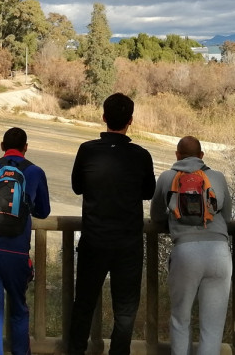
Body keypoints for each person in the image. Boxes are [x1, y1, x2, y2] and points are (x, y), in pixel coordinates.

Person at [68, 93, 156, 355]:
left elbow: (76, 187)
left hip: (94, 239)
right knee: (125, 309)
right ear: (130, 120)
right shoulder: (141, 155)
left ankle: (76, 351)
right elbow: (148, 192)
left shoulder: (87, 150)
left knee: (84, 302)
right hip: (128, 243)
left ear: (104, 118)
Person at [150, 136, 232, 355]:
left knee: (180, 317)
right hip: (218, 253)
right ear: (202, 155)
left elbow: (156, 215)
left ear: (177, 155)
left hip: (185, 252)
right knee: (213, 324)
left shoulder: (167, 177)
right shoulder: (217, 177)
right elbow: (228, 216)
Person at [0, 127, 51, 355]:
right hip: (17, 251)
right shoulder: (35, 171)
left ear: (2, 146)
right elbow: (44, 211)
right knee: (18, 310)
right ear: (26, 148)